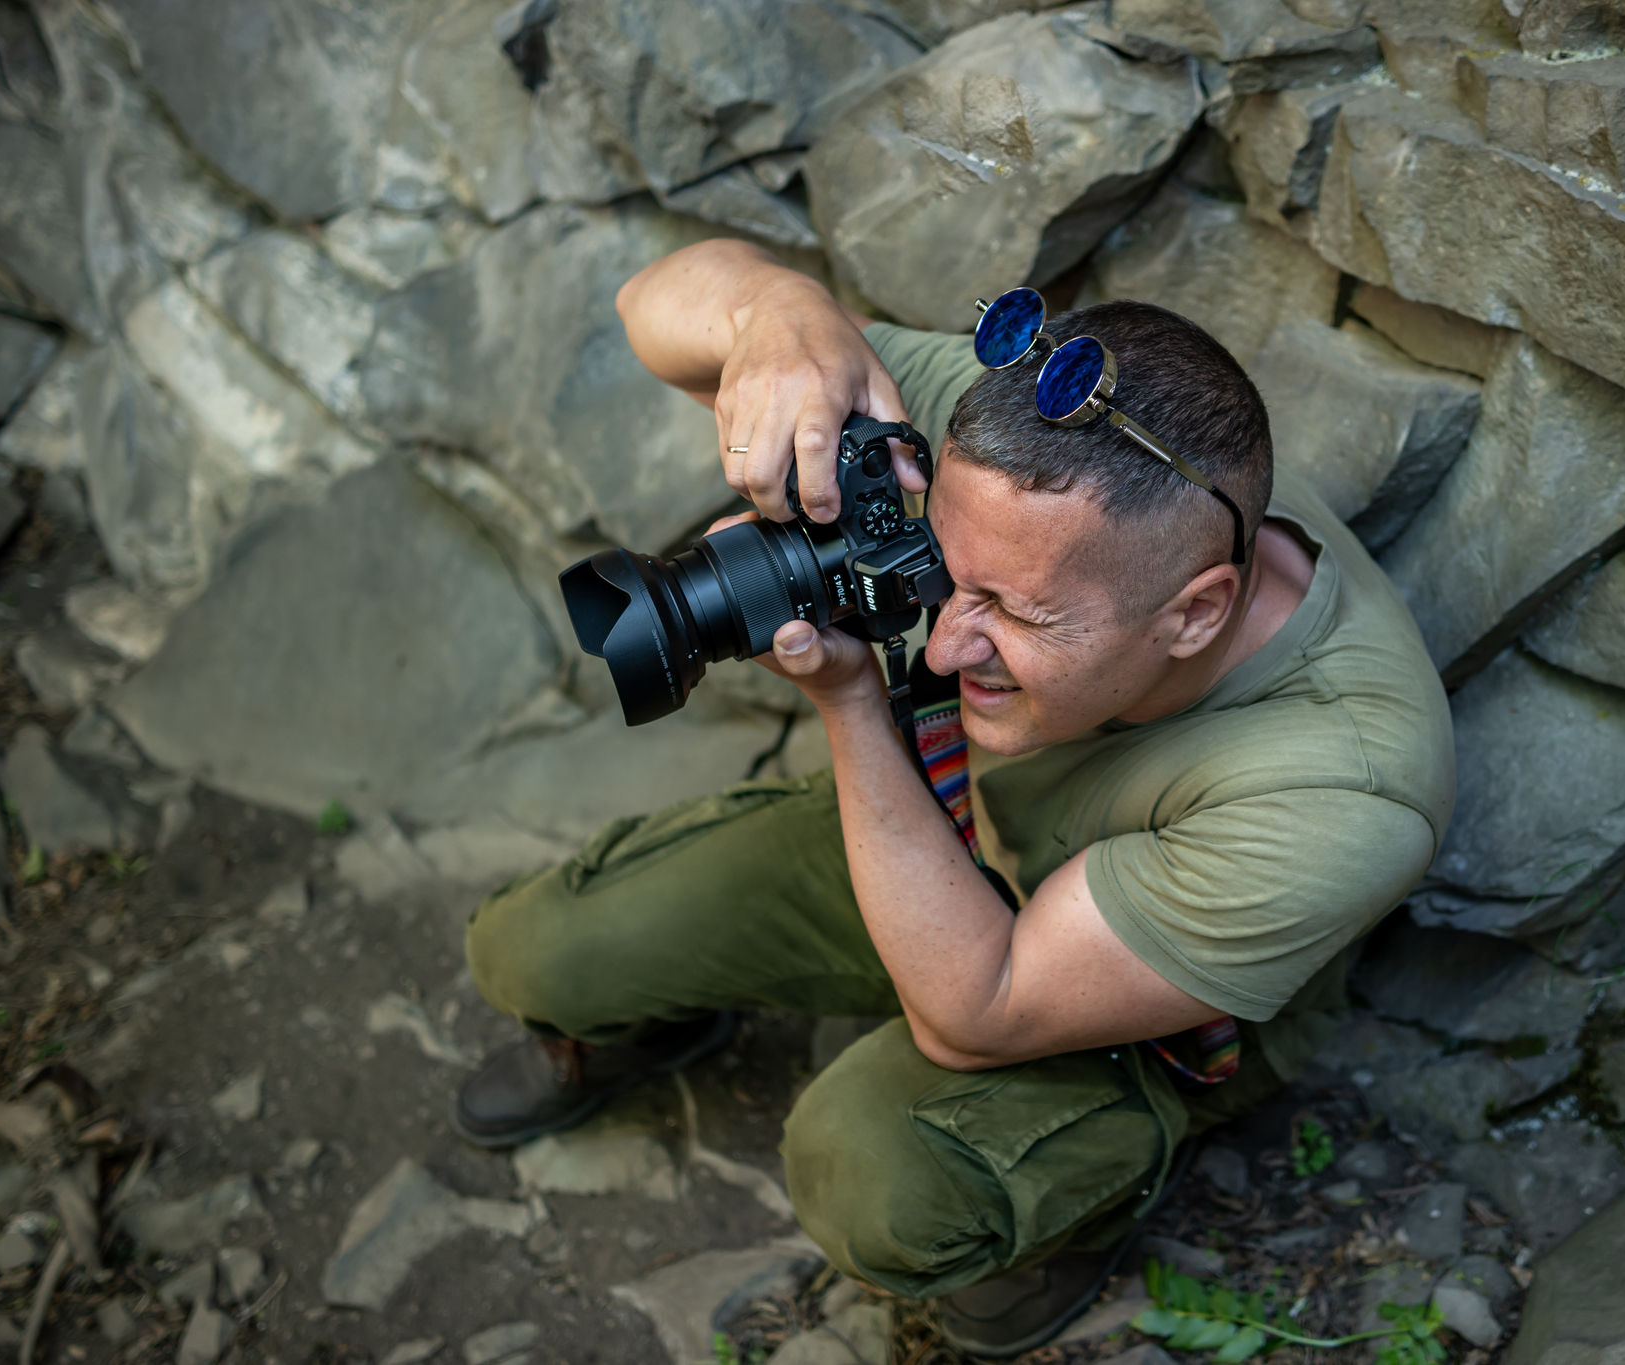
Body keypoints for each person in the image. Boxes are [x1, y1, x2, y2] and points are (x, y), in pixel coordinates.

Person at [452, 238, 1455, 1354]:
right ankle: (661, 1013)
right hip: (958, 823)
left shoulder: (1342, 785)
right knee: (534, 952)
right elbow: (649, 305)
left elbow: (980, 1007)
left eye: (1013, 613)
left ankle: (1068, 1217)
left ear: (1192, 612)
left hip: (1136, 985)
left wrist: (848, 707)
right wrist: (774, 315)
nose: (943, 639)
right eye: (944, 567)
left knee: (873, 1177)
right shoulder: (1029, 462)